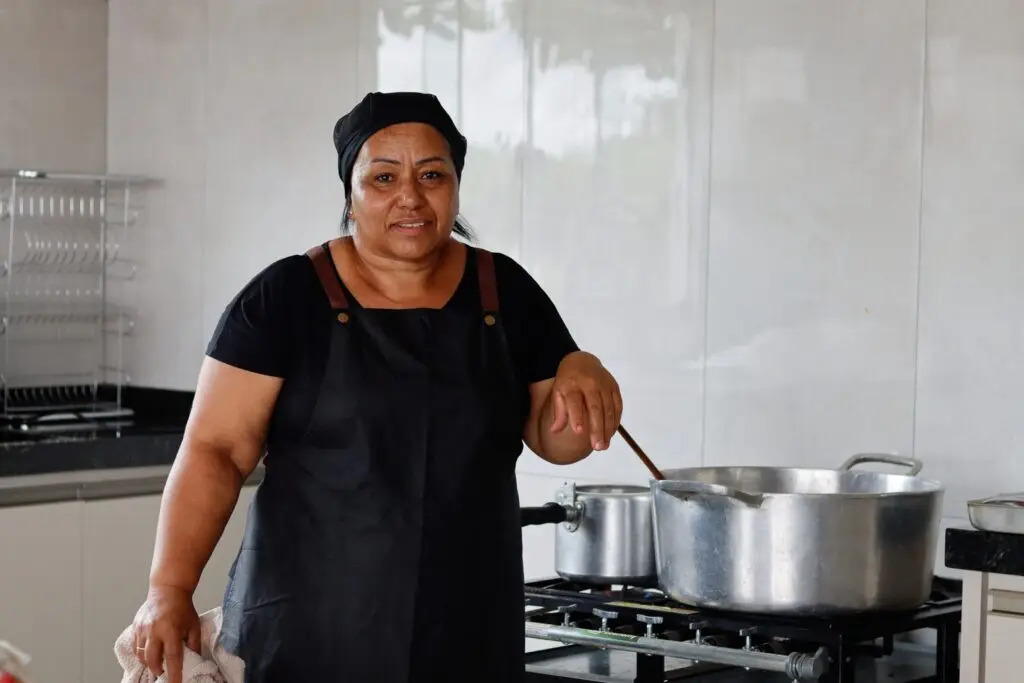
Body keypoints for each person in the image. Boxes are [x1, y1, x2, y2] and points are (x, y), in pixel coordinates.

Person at [129, 91, 624, 683]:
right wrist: (169, 588)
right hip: (308, 628)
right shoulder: (286, 298)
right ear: (351, 193)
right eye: (383, 177)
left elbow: (558, 443)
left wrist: (579, 370)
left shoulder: (504, 291)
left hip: (467, 624)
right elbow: (215, 450)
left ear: (455, 185)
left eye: (432, 175)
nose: (410, 196)